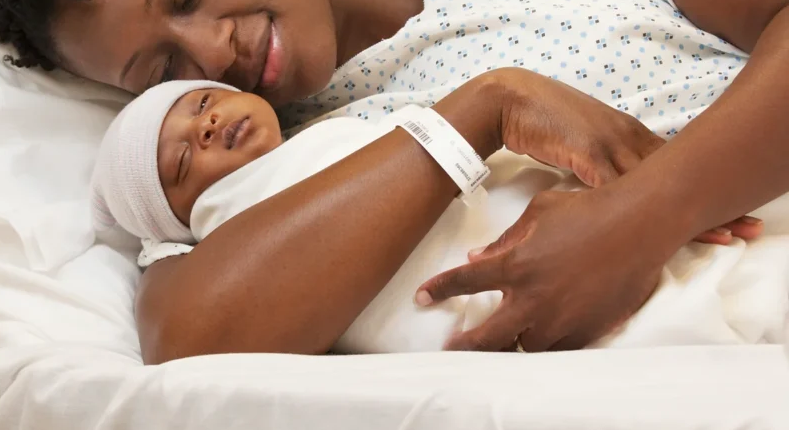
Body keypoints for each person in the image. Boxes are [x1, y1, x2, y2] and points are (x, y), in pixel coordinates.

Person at [0, 0, 789, 362]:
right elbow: (185, 340)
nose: (214, 51)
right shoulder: (270, 164)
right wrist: (481, 109)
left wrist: (640, 218)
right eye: (164, 69)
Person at [90, 78, 789, 352]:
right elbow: (190, 314)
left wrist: (648, 207)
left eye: (202, 103)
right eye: (181, 162)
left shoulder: (347, 127)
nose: (206, 128)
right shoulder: (227, 230)